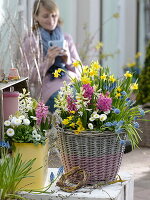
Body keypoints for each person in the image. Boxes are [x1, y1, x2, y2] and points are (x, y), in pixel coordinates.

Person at [21, 0, 80, 112]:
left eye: (54, 15)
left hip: (71, 81)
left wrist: (67, 60)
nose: (51, 20)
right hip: (49, 87)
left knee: (89, 96)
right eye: (45, 16)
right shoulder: (31, 41)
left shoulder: (66, 38)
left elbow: (81, 72)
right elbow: (26, 77)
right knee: (67, 100)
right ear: (36, 17)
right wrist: (48, 61)